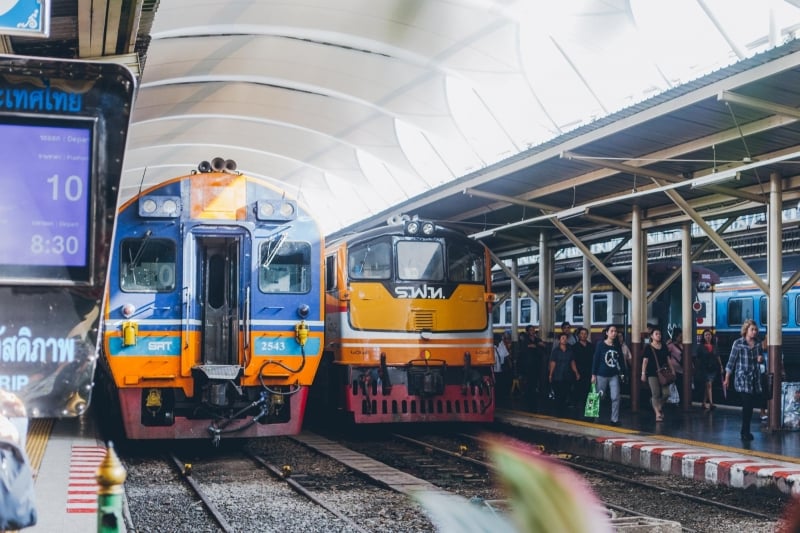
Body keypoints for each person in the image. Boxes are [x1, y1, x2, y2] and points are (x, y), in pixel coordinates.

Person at [723, 318, 762, 441]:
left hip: (754, 379)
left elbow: (760, 359)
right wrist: (727, 378)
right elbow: (731, 361)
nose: (754, 332)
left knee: (749, 405)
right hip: (742, 379)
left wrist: (761, 359)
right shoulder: (738, 343)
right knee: (747, 405)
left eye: (755, 330)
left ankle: (744, 430)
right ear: (746, 330)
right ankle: (745, 431)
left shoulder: (758, 344)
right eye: (752, 329)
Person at [591, 325, 623, 426]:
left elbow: (620, 360)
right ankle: (594, 416)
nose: (614, 333)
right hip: (601, 374)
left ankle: (614, 419)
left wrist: (623, 373)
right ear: (607, 333)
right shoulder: (600, 344)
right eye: (612, 331)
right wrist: (593, 374)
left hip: (614, 375)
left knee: (615, 397)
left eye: (615, 331)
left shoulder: (617, 345)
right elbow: (596, 359)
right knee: (599, 396)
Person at [641, 327, 671, 422]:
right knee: (656, 393)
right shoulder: (648, 347)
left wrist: (672, 370)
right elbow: (645, 361)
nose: (659, 336)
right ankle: (657, 413)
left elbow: (668, 359)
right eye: (656, 334)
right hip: (651, 373)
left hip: (663, 373)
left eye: (660, 334)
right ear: (651, 336)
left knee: (666, 393)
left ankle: (658, 405)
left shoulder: (664, 346)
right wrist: (643, 373)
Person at [548, 333, 579, 415]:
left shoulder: (570, 350)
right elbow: (553, 363)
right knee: (558, 393)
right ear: (559, 340)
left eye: (566, 338)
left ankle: (563, 409)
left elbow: (572, 362)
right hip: (557, 375)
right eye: (563, 338)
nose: (564, 340)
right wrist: (550, 374)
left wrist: (576, 373)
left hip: (567, 375)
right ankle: (558, 410)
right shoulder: (555, 351)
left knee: (565, 392)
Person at [695, 328, 723, 410]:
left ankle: (704, 403)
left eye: (709, 335)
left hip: (713, 368)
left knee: (708, 386)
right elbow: (698, 359)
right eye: (706, 335)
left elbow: (718, 356)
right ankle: (711, 403)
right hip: (704, 368)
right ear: (703, 337)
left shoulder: (715, 346)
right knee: (709, 385)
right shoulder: (700, 347)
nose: (708, 336)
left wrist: (721, 366)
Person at [571, 327, 594, 410]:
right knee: (578, 391)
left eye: (585, 334)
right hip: (579, 372)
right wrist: (576, 372)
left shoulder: (591, 346)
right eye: (582, 334)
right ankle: (577, 411)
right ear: (578, 335)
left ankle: (590, 410)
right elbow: (572, 361)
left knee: (590, 391)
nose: (584, 335)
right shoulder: (574, 347)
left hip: (589, 372)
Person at [666, 328, 685, 401]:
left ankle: (680, 401)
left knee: (682, 386)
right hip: (674, 369)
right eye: (680, 336)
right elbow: (665, 353)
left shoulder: (684, 345)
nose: (681, 338)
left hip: (682, 368)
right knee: (677, 385)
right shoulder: (671, 345)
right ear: (676, 336)